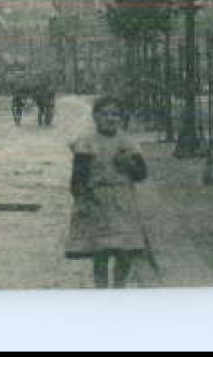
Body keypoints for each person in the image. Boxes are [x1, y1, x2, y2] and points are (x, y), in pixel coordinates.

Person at [66, 96, 151, 288]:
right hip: (98, 202)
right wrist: (83, 199)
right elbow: (78, 178)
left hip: (123, 202)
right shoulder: (86, 143)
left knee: (126, 250)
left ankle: (119, 285)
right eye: (104, 114)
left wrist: (129, 165)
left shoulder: (128, 144)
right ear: (95, 117)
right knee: (101, 251)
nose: (110, 118)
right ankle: (102, 290)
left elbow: (142, 174)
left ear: (121, 118)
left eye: (115, 114)